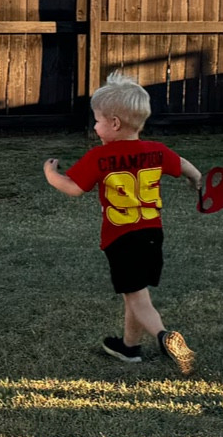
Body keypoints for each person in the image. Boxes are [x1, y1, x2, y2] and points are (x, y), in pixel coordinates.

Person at [43, 72, 200, 373]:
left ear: (114, 123)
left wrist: (51, 174)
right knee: (136, 291)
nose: (95, 126)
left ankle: (164, 335)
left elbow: (73, 188)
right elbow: (184, 166)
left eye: (98, 120)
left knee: (138, 298)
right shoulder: (157, 150)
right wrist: (197, 181)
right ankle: (129, 347)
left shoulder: (100, 157)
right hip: (153, 233)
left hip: (121, 239)